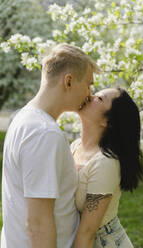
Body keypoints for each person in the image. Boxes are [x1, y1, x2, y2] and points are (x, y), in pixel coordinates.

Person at [1, 43, 100, 248]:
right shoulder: (43, 133)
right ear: (69, 81)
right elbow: (37, 224)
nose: (90, 94)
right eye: (89, 85)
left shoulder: (25, 118)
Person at [71, 87, 143, 248]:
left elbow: (87, 232)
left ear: (108, 121)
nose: (89, 96)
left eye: (99, 98)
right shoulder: (75, 146)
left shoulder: (105, 163)